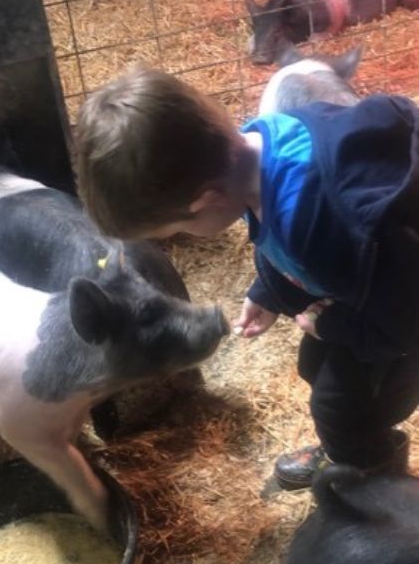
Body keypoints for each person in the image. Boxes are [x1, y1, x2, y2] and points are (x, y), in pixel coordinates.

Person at [74, 65, 419, 489]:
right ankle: (348, 450)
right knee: (313, 367)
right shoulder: (257, 145)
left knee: (339, 409)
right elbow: (273, 236)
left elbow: (405, 320)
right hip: (366, 285)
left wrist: (328, 324)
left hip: (397, 316)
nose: (182, 237)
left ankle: (376, 485)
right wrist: (270, 292)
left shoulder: (319, 219)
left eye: (177, 230)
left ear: (205, 200)